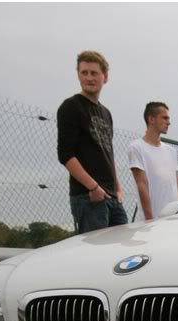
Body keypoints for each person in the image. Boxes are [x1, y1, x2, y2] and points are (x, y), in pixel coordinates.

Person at [56, 50, 127, 233]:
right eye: (84, 73)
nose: (89, 78)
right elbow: (66, 155)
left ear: (105, 77)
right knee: (96, 257)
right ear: (78, 75)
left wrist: (118, 188)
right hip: (89, 197)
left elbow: (107, 153)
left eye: (94, 73)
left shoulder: (106, 113)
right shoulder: (70, 107)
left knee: (122, 252)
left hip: (112, 197)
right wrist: (93, 187)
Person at [128, 102, 178, 220]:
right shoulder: (136, 147)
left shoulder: (171, 151)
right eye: (164, 118)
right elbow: (142, 184)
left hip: (173, 219)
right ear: (151, 119)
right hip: (151, 222)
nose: (168, 122)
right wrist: (150, 219)